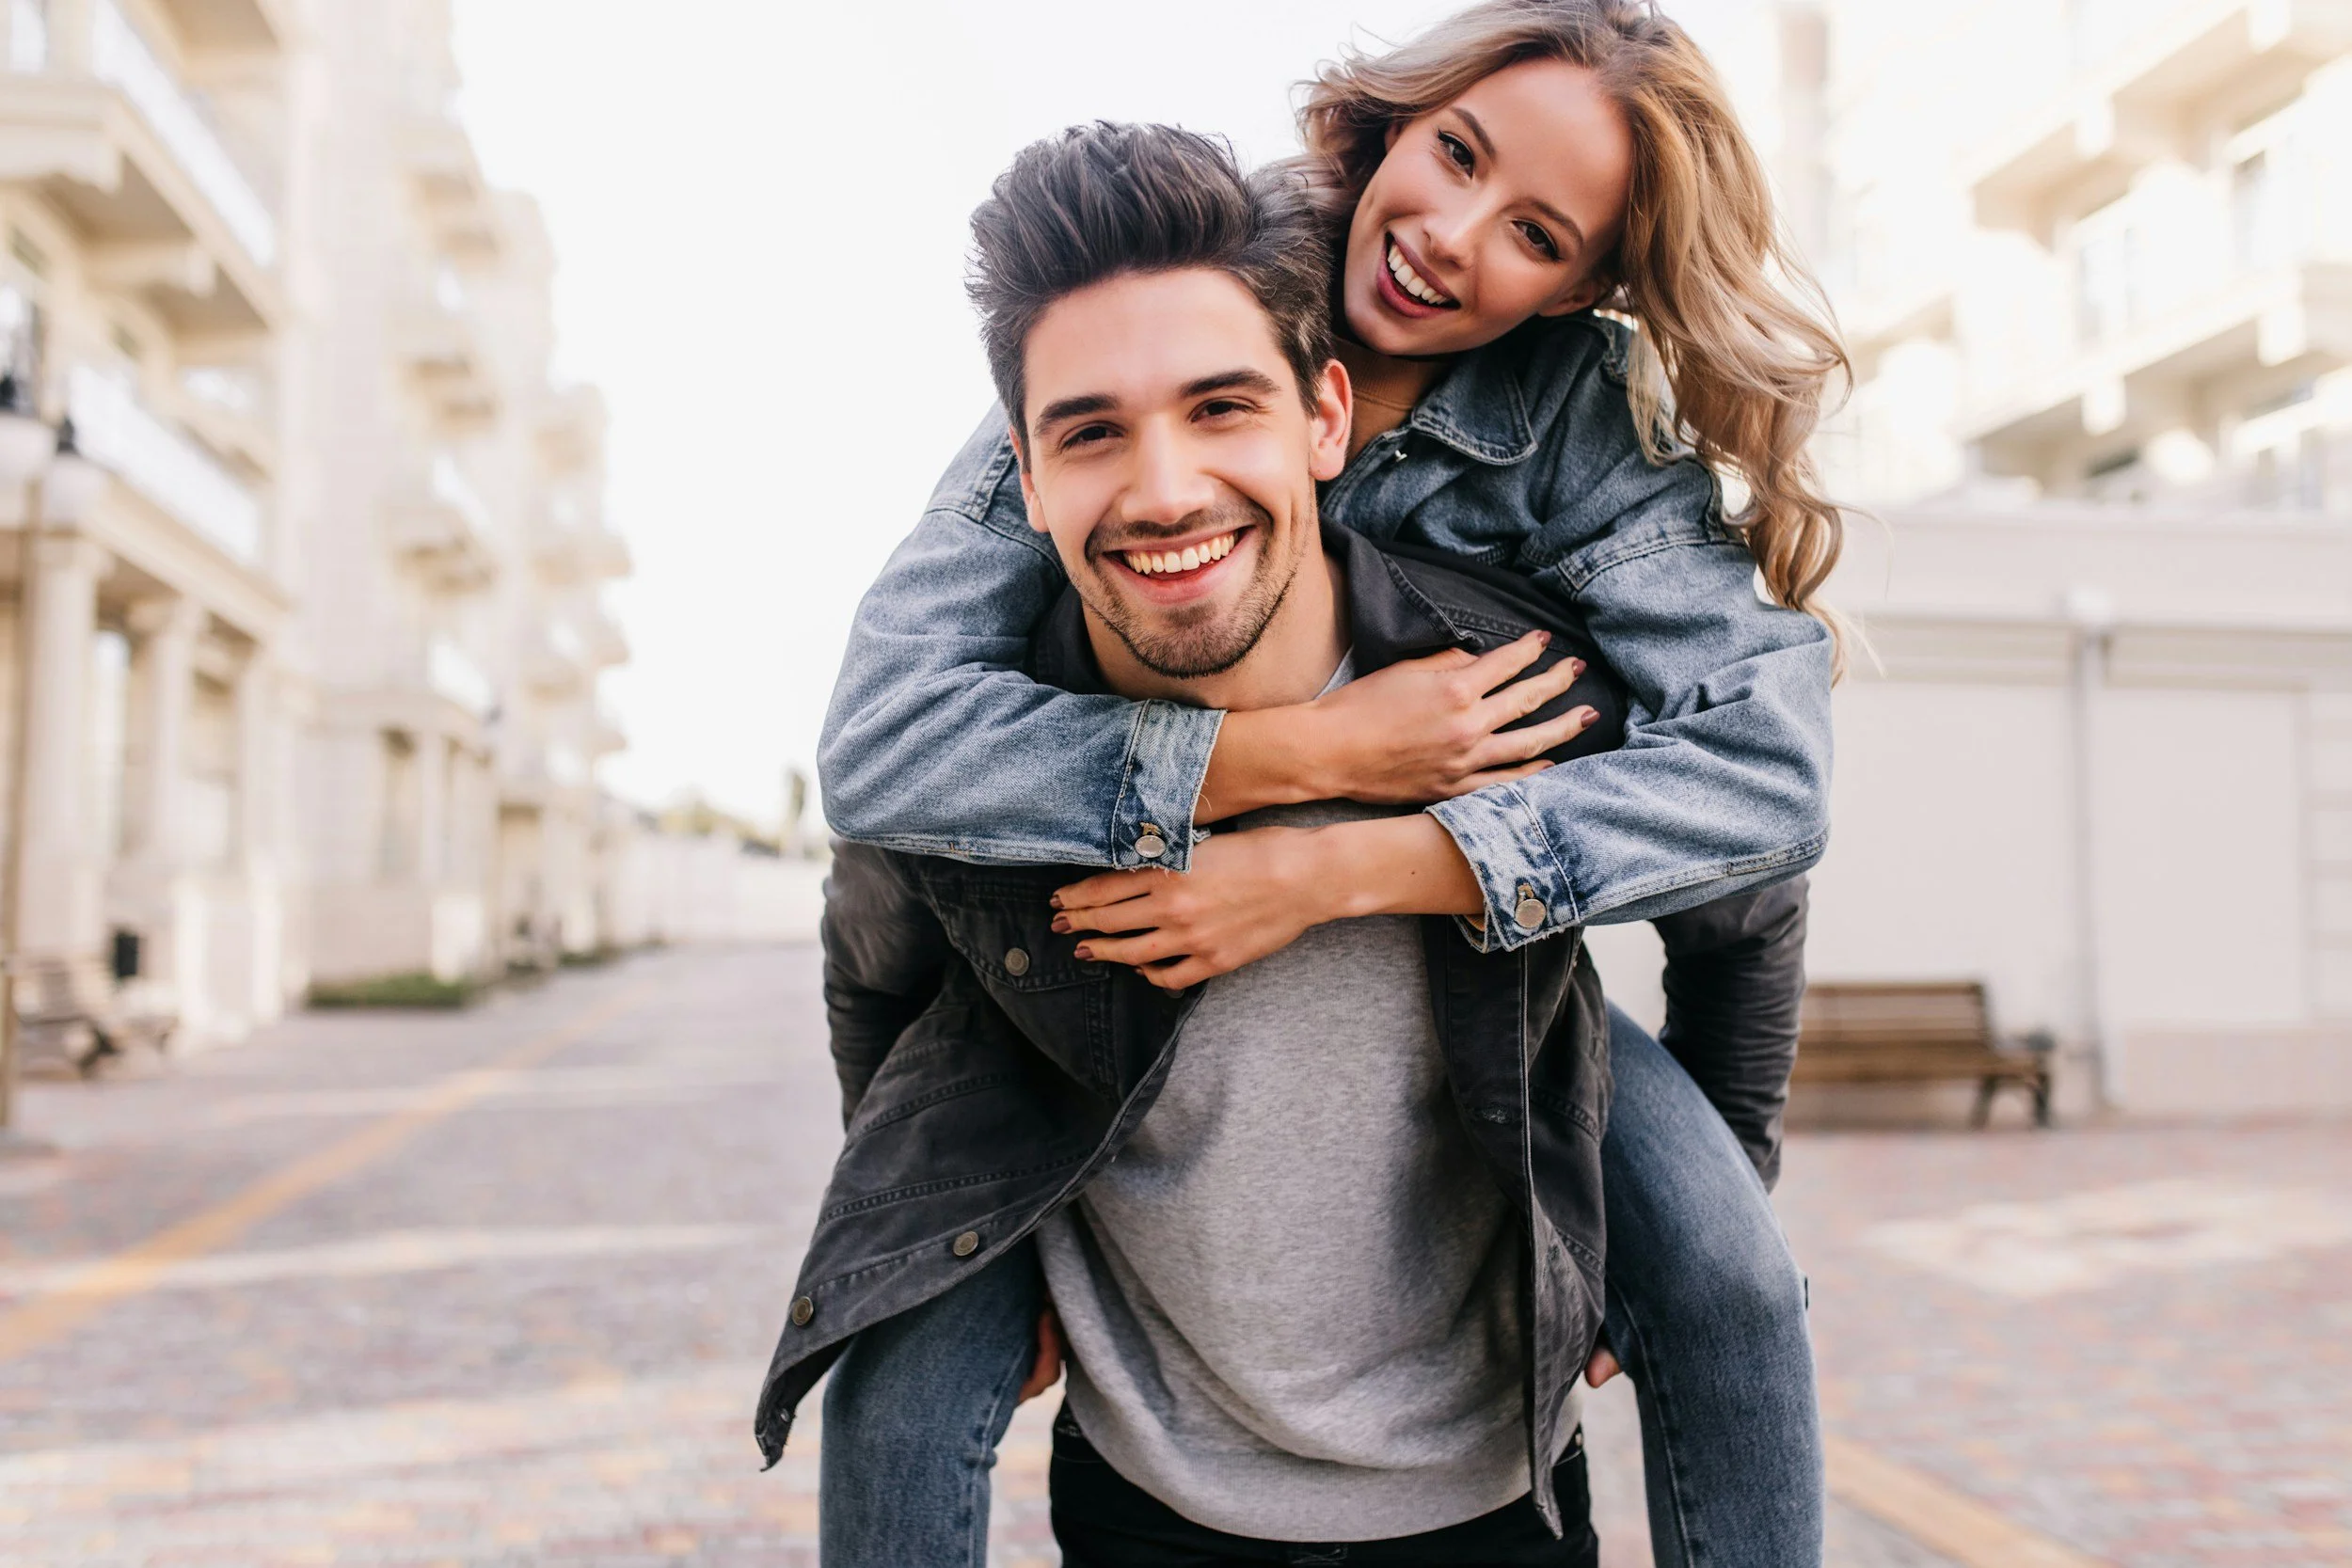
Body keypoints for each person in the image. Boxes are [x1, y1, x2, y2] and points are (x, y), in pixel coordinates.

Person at [798, 3, 1842, 1563]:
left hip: (1465, 940)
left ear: (1585, 284)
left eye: (1536, 232)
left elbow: (1765, 789)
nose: (1449, 236)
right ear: (1397, 119)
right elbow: (883, 753)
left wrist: (1358, 862)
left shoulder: (1576, 425)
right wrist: (1311, 755)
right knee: (890, 1368)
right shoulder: (1167, 305)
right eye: (1458, 155)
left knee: (1743, 1286)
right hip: (1076, 964)